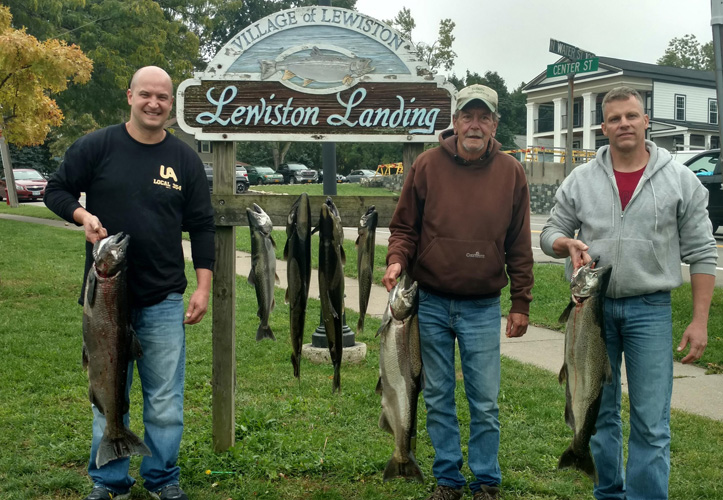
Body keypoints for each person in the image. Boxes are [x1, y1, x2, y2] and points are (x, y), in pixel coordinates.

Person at [45, 66, 215, 500]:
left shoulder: (185, 160)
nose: (154, 104)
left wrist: (202, 286)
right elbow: (57, 190)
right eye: (146, 95)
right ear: (129, 97)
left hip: (161, 300)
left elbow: (201, 225)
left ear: (171, 104)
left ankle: (162, 479)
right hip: (105, 303)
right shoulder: (98, 146)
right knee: (107, 392)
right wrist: (82, 217)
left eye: (162, 97)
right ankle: (109, 482)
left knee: (164, 401)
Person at [540, 86, 717, 500]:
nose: (624, 124)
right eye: (615, 118)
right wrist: (566, 244)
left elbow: (704, 252)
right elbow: (551, 232)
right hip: (591, 315)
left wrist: (699, 319)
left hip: (649, 310)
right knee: (599, 415)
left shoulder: (680, 179)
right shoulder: (581, 179)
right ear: (603, 127)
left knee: (651, 423)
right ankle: (608, 492)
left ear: (646, 121)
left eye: (632, 116)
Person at [382, 84, 534, 500]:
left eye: (484, 117)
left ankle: (486, 480)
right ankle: (448, 479)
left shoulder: (511, 172)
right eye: (467, 115)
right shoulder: (428, 165)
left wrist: (520, 301)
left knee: (484, 400)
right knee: (437, 395)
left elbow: (520, 244)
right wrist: (397, 259)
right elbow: (405, 227)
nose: (475, 124)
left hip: (483, 306)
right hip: (428, 302)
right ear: (454, 121)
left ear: (494, 124)